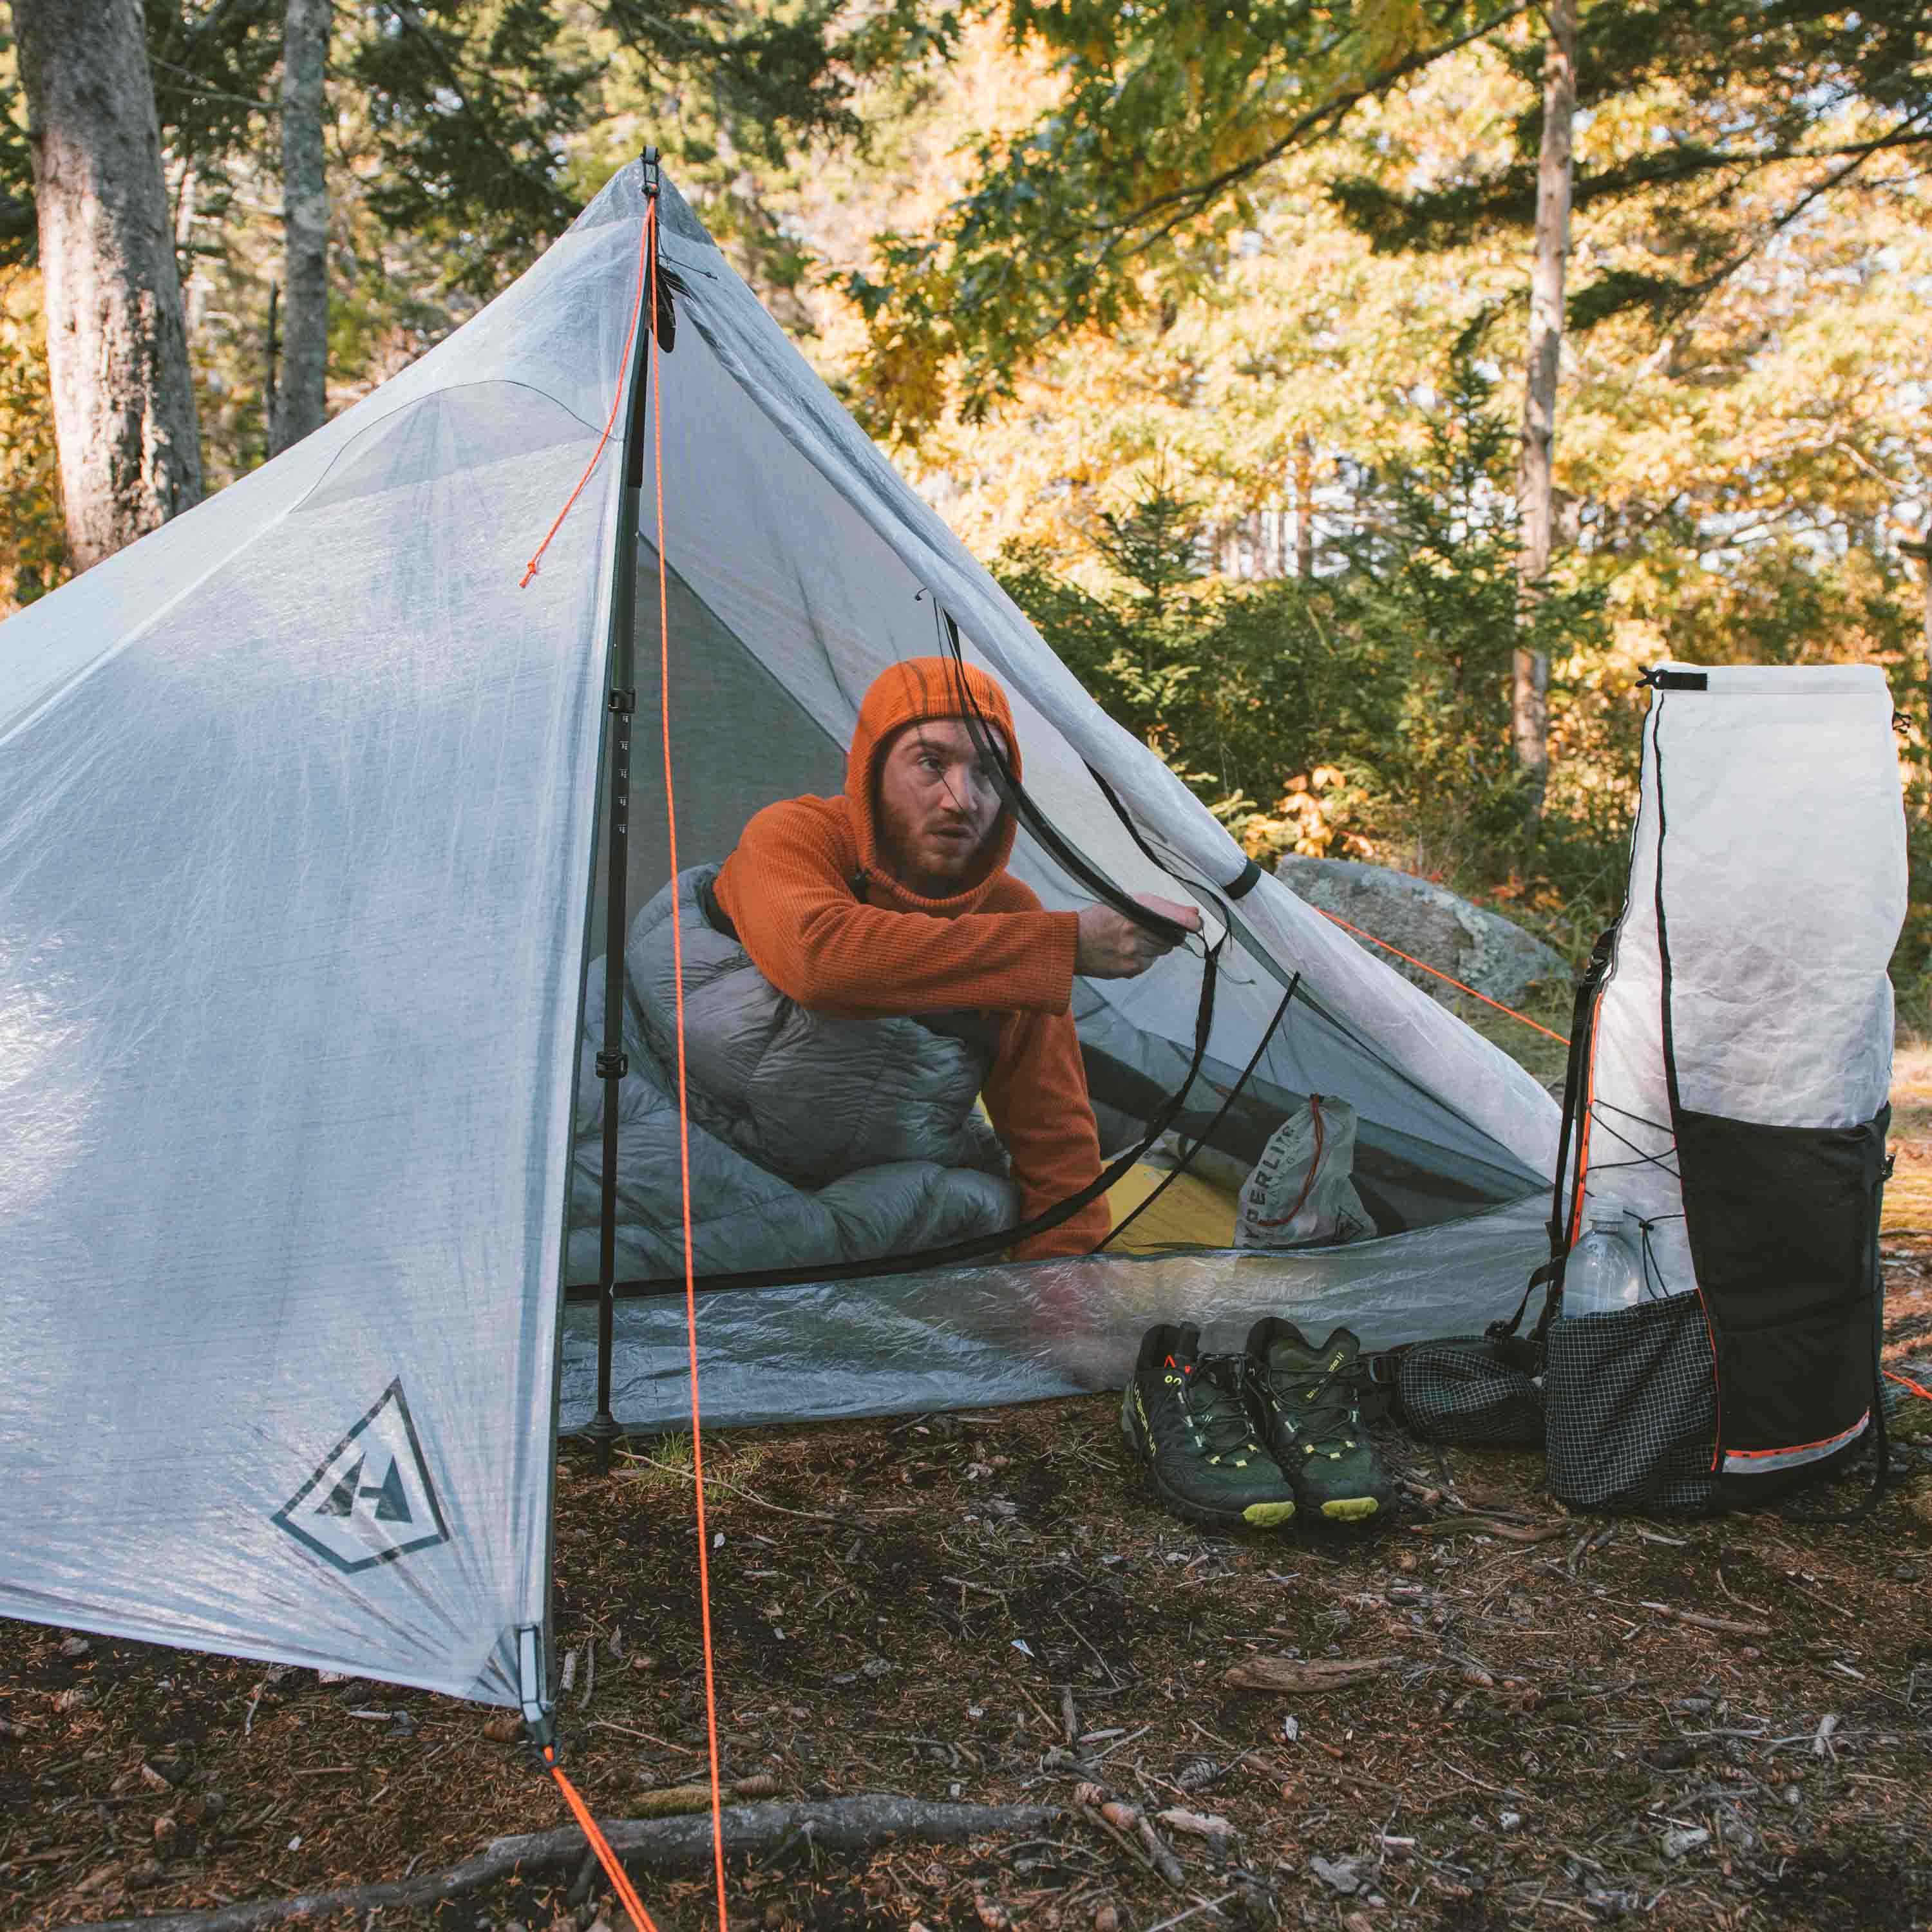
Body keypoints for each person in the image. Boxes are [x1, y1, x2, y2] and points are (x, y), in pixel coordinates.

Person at [712, 656, 1201, 1259]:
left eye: (991, 774)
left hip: (851, 1201)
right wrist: (1068, 944)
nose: (961, 800)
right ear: (869, 770)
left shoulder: (1008, 914)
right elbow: (817, 959)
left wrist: (1066, 1304)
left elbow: (1056, 1147)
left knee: (984, 1206)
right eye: (931, 763)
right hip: (697, 1161)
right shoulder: (795, 836)